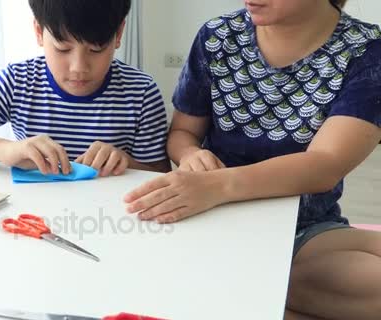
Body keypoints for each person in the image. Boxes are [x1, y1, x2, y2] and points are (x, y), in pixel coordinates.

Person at [124, 0, 381, 319]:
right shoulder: (217, 37)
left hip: (304, 230)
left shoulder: (366, 51)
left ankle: (242, 291)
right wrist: (191, 154)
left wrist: (218, 185)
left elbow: (325, 164)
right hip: (211, 221)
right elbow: (181, 134)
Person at [0, 0, 170, 177]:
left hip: (112, 219)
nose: (78, 67)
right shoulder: (18, 82)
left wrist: (126, 164)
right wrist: (5, 150)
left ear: (118, 34)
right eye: (62, 48)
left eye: (96, 49)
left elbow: (160, 173)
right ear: (39, 32)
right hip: (35, 218)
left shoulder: (141, 92)